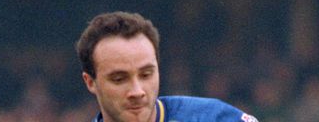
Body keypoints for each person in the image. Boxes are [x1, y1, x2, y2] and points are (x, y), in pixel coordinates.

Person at [76, 11, 259, 122]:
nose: (137, 91)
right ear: (90, 82)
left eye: (146, 74)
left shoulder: (211, 117)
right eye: (119, 79)